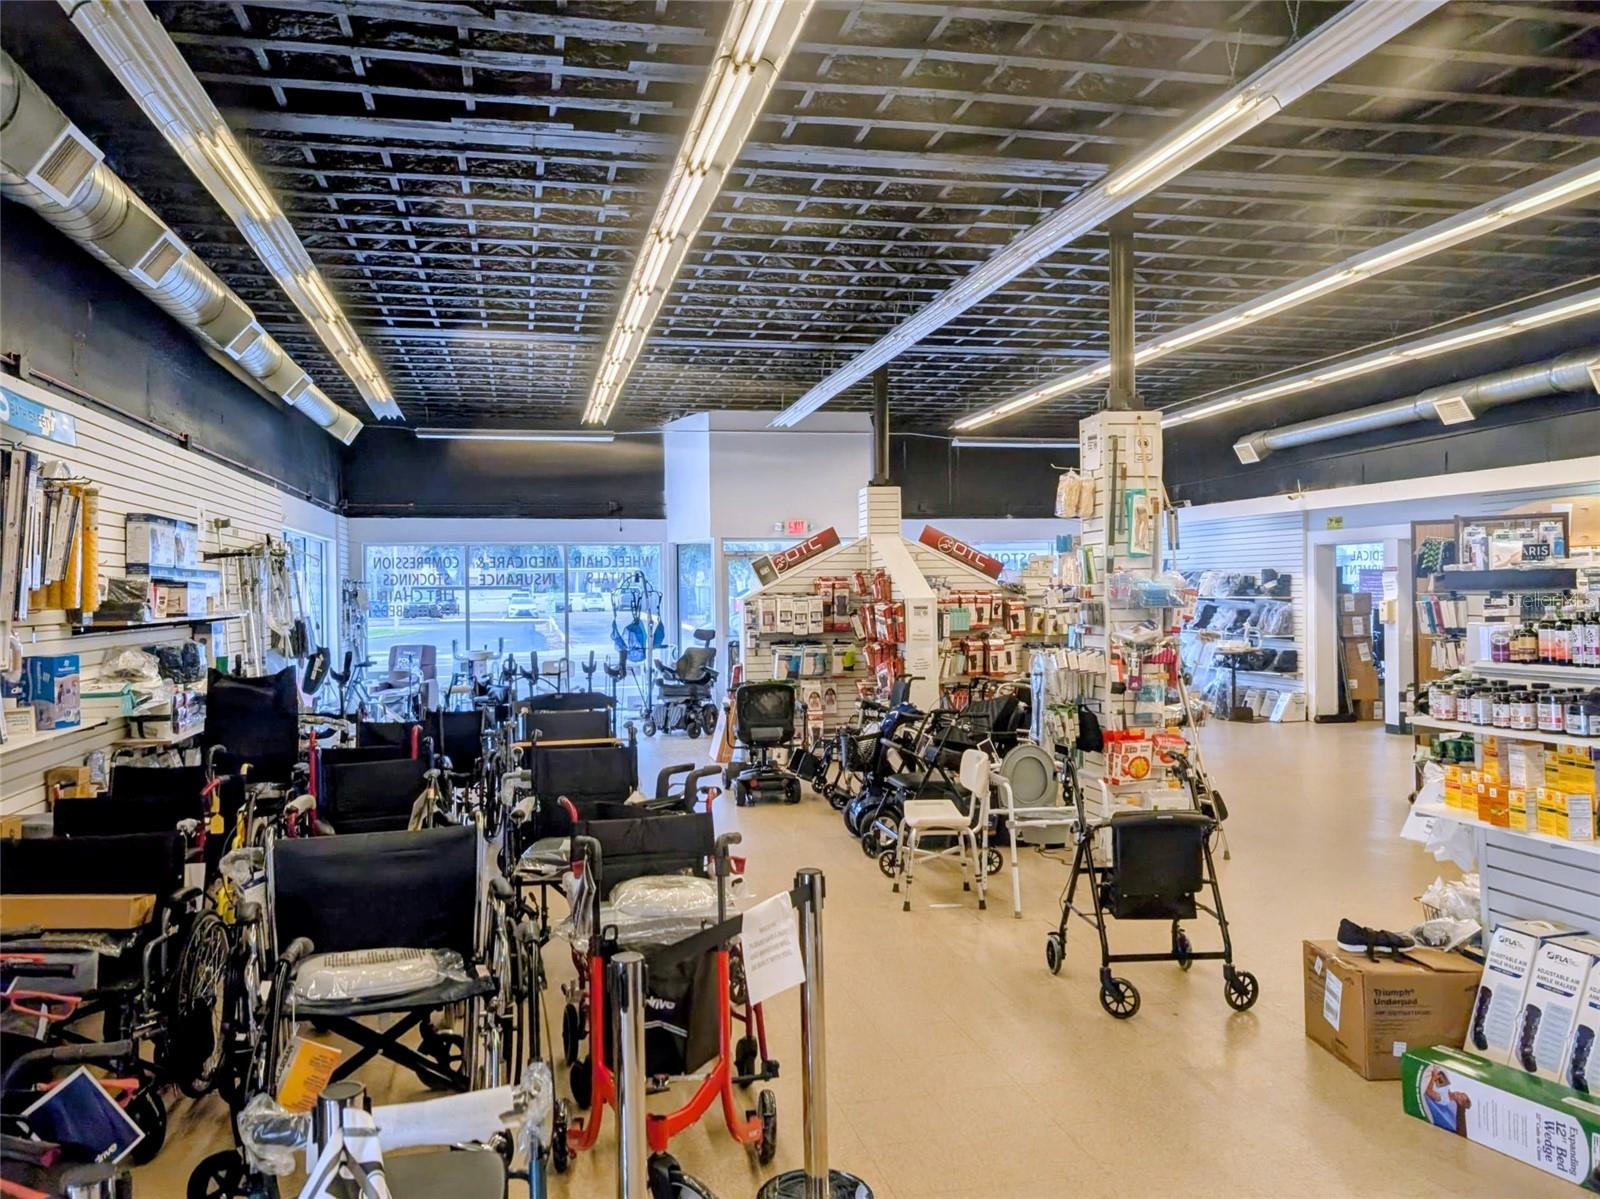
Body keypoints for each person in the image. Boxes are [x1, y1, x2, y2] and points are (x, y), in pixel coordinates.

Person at [1421, 1065, 1471, 1137]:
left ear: (1459, 1102)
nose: (1459, 1093)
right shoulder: (1447, 1087)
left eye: (1461, 1097)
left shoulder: (1444, 1100)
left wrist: (1433, 1078)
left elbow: (1429, 1092)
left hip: (1426, 1082)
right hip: (1429, 1075)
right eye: (1462, 1093)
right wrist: (1436, 1072)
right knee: (1439, 1068)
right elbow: (1438, 1074)